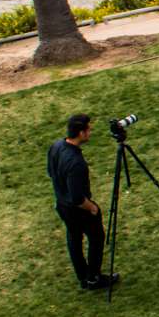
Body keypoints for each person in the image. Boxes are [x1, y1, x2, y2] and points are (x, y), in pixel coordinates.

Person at [49, 114, 113, 290]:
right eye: (88, 130)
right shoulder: (77, 163)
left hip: (62, 205)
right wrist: (92, 208)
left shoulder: (55, 147)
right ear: (81, 133)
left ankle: (83, 276)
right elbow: (78, 198)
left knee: (74, 237)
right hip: (78, 209)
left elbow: (51, 173)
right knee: (96, 238)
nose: (90, 132)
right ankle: (93, 278)